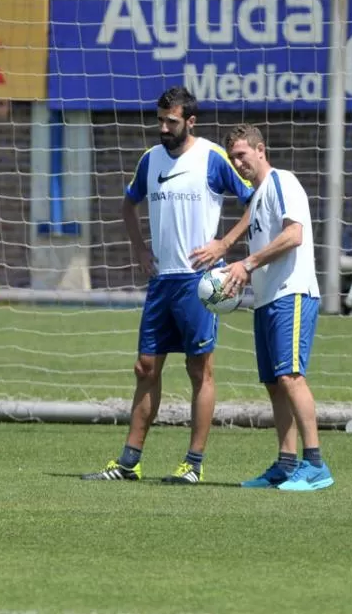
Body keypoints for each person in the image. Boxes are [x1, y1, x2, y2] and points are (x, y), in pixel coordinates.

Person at [82, 86, 253, 484]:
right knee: (145, 368)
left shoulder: (213, 157)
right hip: (161, 283)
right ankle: (129, 462)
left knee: (199, 371)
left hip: (199, 284)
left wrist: (224, 244)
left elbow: (254, 200)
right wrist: (141, 249)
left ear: (190, 121)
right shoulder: (150, 159)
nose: (163, 128)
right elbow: (128, 203)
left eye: (171, 121)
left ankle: (193, 463)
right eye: (160, 120)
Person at [221, 124, 333, 492]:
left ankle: (315, 464)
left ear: (260, 150)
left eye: (242, 154)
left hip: (293, 293)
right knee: (273, 384)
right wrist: (236, 275)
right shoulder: (256, 198)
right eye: (233, 157)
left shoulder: (283, 181)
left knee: (290, 377)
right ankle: (286, 464)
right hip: (267, 299)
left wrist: (248, 264)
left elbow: (293, 234)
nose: (238, 163)